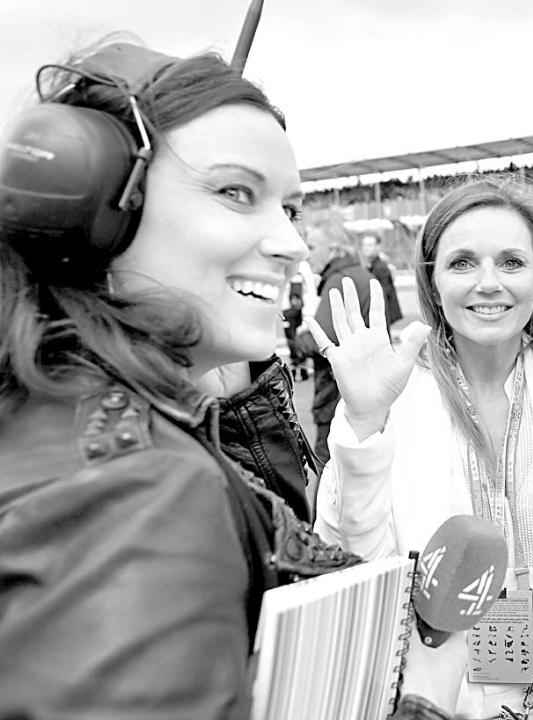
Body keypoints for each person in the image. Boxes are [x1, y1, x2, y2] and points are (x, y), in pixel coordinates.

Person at [0, 41, 462, 720]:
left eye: (291, 209)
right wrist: (426, 702)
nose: (292, 244)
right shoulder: (141, 488)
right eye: (235, 192)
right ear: (96, 211)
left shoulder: (54, 407)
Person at [312, 176, 533, 719]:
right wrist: (364, 421)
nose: (488, 283)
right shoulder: (397, 392)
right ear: (433, 282)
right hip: (436, 693)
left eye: (511, 263)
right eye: (463, 263)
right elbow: (354, 556)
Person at [311, 242, 372, 461]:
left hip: (334, 389)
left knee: (329, 462)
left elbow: (321, 341)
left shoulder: (338, 280)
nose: (309, 254)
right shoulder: (365, 275)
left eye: (313, 246)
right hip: (363, 386)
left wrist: (302, 336)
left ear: (334, 249)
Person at [360, 232, 404, 331]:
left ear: (378, 247)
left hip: (381, 314)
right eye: (364, 245)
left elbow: (384, 293)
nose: (366, 248)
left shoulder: (380, 267)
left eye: (369, 245)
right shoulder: (372, 265)